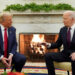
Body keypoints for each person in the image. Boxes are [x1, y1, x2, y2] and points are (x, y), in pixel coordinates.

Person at [38, 11, 75, 75]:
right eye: (63, 18)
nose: (63, 21)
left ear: (72, 19)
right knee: (48, 56)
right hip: (65, 54)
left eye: (65, 19)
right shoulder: (63, 29)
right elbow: (58, 44)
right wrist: (48, 44)